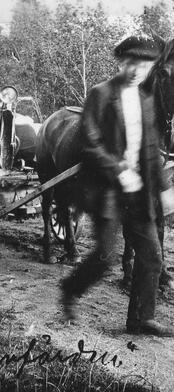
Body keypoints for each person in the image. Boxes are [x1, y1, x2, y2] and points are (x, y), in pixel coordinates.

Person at [60, 35, 174, 337]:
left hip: (139, 192)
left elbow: (150, 149)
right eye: (131, 63)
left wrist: (164, 188)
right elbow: (90, 144)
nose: (138, 70)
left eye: (145, 64)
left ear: (152, 67)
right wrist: (119, 169)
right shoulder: (100, 94)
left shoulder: (147, 99)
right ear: (121, 62)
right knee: (105, 258)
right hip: (106, 190)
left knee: (151, 256)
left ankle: (140, 319)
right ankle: (70, 289)